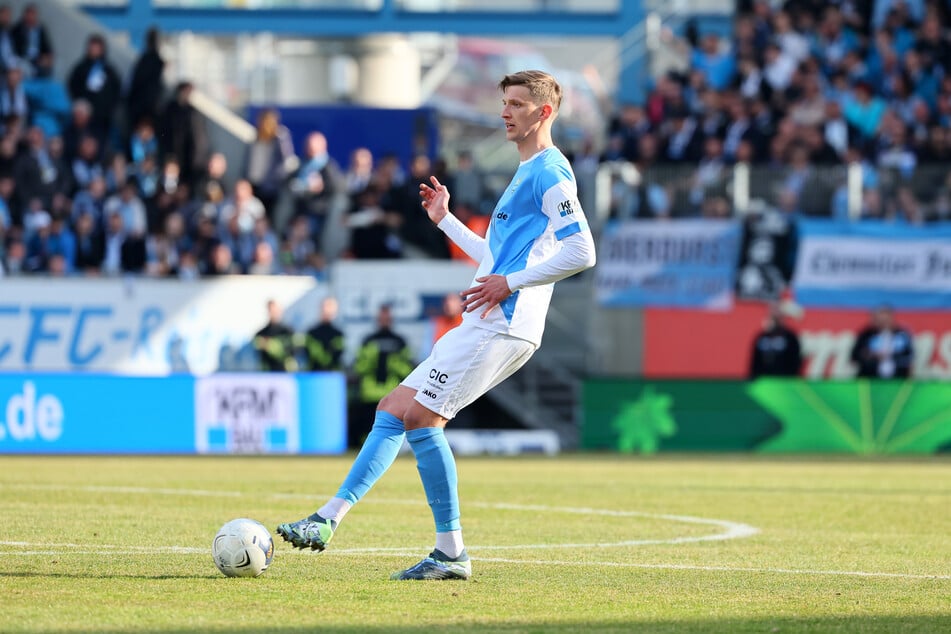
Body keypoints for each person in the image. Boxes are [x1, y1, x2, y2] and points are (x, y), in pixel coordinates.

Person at [277, 70, 596, 581]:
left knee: (424, 420)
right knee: (394, 408)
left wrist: (509, 284)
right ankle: (327, 519)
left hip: (503, 323)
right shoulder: (527, 170)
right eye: (504, 103)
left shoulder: (550, 173)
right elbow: (494, 255)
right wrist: (446, 221)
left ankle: (450, 553)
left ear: (545, 113)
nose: (505, 112)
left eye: (516, 103)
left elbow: (583, 251)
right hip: (490, 318)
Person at [348, 303, 414, 448]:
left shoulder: (399, 341)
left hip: (391, 393)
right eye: (381, 317)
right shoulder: (368, 340)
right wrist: (371, 359)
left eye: (387, 317)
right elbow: (359, 367)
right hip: (369, 393)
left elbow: (408, 370)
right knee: (367, 426)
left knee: (389, 429)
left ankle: (387, 449)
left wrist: (393, 363)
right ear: (378, 319)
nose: (384, 320)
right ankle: (364, 449)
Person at [850, 304, 914, 378]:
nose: (883, 323)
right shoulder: (866, 334)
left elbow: (909, 357)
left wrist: (890, 356)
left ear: (892, 318)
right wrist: (871, 355)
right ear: (874, 319)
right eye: (880, 320)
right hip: (871, 380)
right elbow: (855, 356)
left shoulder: (902, 334)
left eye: (886, 320)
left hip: (897, 380)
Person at [749, 301, 802, 378]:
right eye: (773, 317)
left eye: (778, 318)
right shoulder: (761, 337)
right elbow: (754, 362)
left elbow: (795, 361)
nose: (776, 321)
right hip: (764, 380)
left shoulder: (791, 338)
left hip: (783, 381)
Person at [300, 295, 345, 373]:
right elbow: (308, 354)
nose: (327, 310)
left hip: (332, 376)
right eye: (326, 307)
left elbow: (336, 356)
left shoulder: (338, 334)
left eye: (330, 307)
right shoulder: (311, 333)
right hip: (314, 375)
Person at [252, 299, 298, 372]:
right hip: (268, 374)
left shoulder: (288, 332)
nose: (273, 313)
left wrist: (270, 345)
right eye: (271, 310)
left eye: (275, 310)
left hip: (285, 374)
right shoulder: (261, 333)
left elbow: (292, 352)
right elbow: (260, 356)